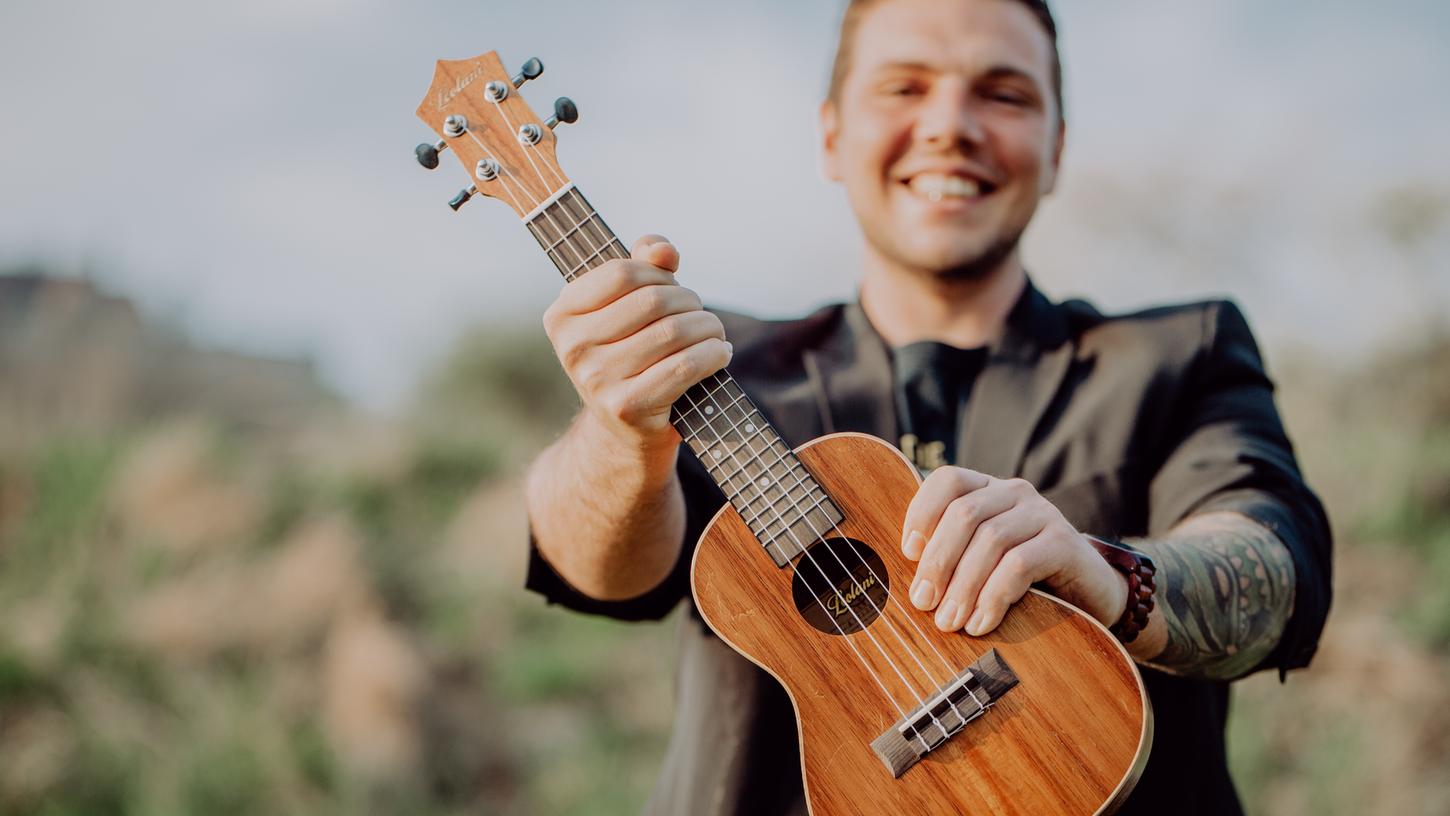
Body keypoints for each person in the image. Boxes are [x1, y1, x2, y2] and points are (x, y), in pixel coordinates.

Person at [521, 0, 1332, 812]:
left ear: (1054, 149)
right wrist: (622, 433)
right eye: (904, 88)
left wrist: (1105, 574)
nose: (949, 124)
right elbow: (600, 576)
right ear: (832, 135)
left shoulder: (1181, 354)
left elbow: (1273, 575)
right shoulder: (716, 374)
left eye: (1004, 94)